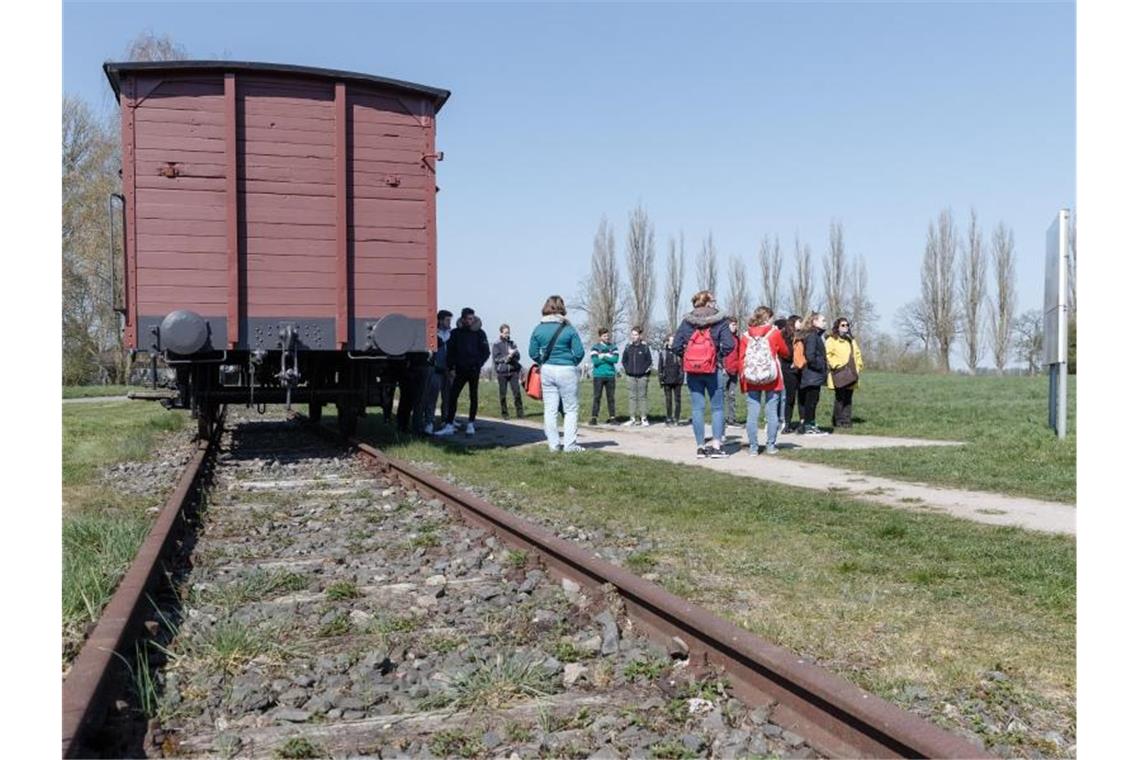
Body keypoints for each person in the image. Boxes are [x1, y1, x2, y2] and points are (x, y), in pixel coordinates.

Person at [671, 290, 736, 458]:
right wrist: (718, 356)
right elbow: (729, 344)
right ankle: (716, 446)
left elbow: (676, 346)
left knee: (697, 408)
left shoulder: (687, 322)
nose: (715, 303)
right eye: (713, 300)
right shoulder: (719, 321)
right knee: (717, 408)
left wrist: (688, 357)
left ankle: (700, 447)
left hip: (693, 371)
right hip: (713, 370)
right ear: (707, 302)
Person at [528, 295, 586, 452]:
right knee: (570, 409)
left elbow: (532, 352)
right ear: (562, 308)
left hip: (547, 370)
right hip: (567, 369)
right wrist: (571, 361)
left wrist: (542, 361)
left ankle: (553, 445)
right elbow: (580, 352)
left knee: (550, 409)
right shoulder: (568, 328)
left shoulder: (538, 329)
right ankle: (570, 445)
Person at [737, 306, 790, 455]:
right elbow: (785, 351)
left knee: (752, 414)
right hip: (771, 378)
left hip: (751, 378)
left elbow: (741, 359)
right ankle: (771, 445)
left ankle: (753, 447)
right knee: (771, 412)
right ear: (767, 318)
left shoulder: (746, 335)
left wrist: (743, 379)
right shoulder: (774, 333)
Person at [439, 307, 490, 436]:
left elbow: (486, 352)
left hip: (474, 370)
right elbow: (450, 352)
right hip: (460, 370)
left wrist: (478, 364)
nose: (470, 321)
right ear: (463, 318)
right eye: (468, 318)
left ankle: (471, 424)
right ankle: (449, 424)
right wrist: (451, 367)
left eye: (472, 318)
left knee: (473, 396)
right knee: (453, 396)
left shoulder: (480, 333)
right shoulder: (456, 333)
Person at [826, 317, 865, 429]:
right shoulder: (831, 340)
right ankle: (838, 420)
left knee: (848, 398)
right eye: (843, 325)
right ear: (837, 327)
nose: (845, 327)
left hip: (851, 373)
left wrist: (859, 366)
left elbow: (857, 354)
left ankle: (846, 420)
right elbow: (828, 355)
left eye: (847, 325)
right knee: (840, 398)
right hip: (840, 373)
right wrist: (837, 365)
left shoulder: (851, 340)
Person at [797, 311, 830, 435]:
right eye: (823, 320)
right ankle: (808, 425)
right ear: (814, 322)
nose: (825, 322)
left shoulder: (816, 335)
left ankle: (810, 424)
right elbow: (810, 356)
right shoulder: (812, 336)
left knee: (813, 400)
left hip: (814, 375)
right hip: (812, 374)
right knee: (810, 401)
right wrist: (821, 366)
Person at [422, 309, 453, 434]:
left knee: (448, 398)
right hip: (436, 369)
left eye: (450, 320)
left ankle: (446, 421)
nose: (449, 322)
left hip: (448, 370)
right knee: (432, 397)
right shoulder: (433, 334)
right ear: (440, 320)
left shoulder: (451, 334)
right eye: (447, 320)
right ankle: (429, 422)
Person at [621, 326, 653, 426]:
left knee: (642, 397)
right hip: (630, 376)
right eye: (632, 334)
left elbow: (649, 361)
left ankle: (643, 418)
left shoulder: (645, 347)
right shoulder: (628, 347)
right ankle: (632, 418)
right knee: (632, 397)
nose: (633, 337)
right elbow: (624, 360)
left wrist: (644, 370)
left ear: (640, 336)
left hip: (642, 376)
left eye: (635, 335)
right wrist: (627, 369)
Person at [492, 323, 525, 419]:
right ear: (501, 333)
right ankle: (505, 414)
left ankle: (520, 413)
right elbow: (496, 359)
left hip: (513, 371)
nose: (507, 334)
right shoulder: (496, 344)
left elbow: (518, 356)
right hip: (502, 372)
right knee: (503, 394)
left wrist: (514, 355)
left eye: (508, 332)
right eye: (505, 333)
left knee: (517, 393)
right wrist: (507, 357)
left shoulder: (512, 343)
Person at [588, 328, 619, 425]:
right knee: (597, 397)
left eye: (608, 335)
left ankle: (612, 417)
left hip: (610, 375)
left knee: (611, 397)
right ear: (600, 337)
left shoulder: (613, 347)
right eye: (605, 336)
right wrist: (608, 357)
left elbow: (615, 360)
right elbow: (595, 361)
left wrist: (603, 356)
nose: (607, 337)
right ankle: (594, 417)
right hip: (598, 375)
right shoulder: (595, 348)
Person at [778, 314, 803, 434]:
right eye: (799, 322)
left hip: (800, 369)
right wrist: (792, 360)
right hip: (789, 369)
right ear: (793, 322)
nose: (801, 324)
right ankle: (787, 423)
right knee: (790, 397)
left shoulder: (802, 335)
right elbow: (785, 352)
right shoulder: (786, 335)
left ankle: (803, 422)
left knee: (802, 397)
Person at [658, 332, 684, 425]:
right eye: (671, 340)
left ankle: (676, 418)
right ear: (668, 341)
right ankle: (669, 417)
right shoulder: (663, 353)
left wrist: (682, 377)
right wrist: (660, 378)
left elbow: (682, 366)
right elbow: (660, 366)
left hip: (677, 379)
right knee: (668, 400)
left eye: (674, 340)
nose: (672, 342)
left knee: (677, 399)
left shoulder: (679, 352)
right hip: (667, 379)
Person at [721, 317, 741, 426]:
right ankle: (721, 419)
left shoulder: (737, 339)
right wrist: (722, 367)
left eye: (736, 325)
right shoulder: (723, 339)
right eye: (733, 325)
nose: (735, 327)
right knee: (722, 395)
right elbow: (720, 354)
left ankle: (732, 418)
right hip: (725, 369)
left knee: (732, 395)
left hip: (734, 369)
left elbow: (739, 354)